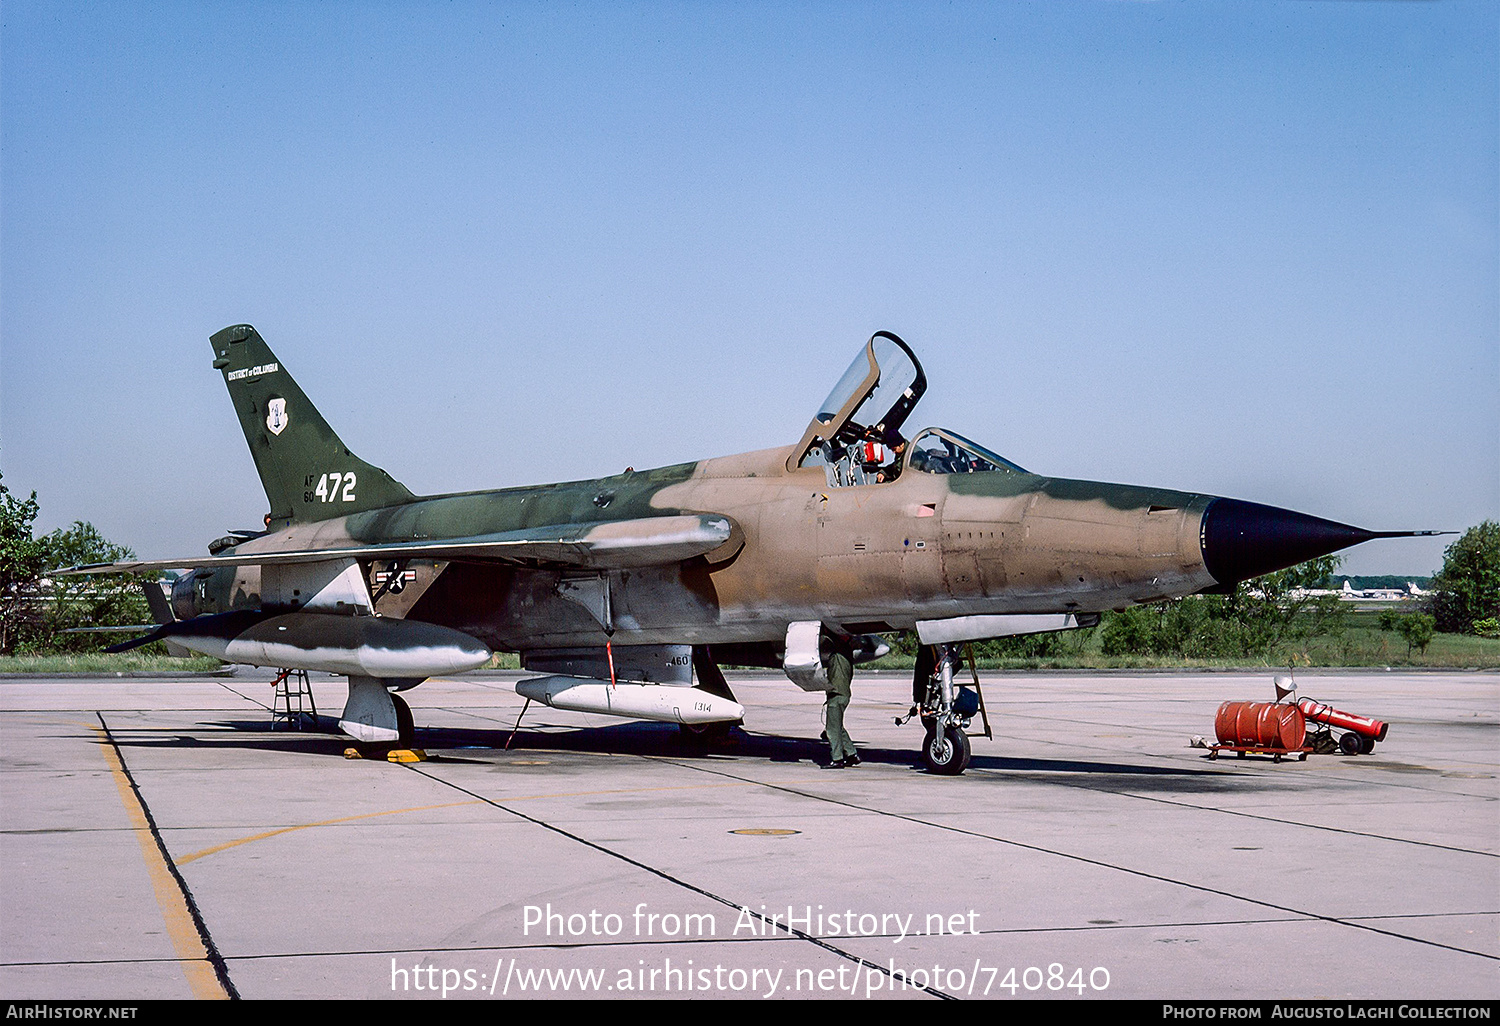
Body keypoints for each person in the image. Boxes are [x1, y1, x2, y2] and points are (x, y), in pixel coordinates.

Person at [823, 635, 859, 768]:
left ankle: (837, 759)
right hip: (843, 694)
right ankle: (851, 754)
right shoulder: (846, 655)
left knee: (831, 729)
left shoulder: (839, 653)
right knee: (837, 726)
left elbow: (836, 641)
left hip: (837, 694)